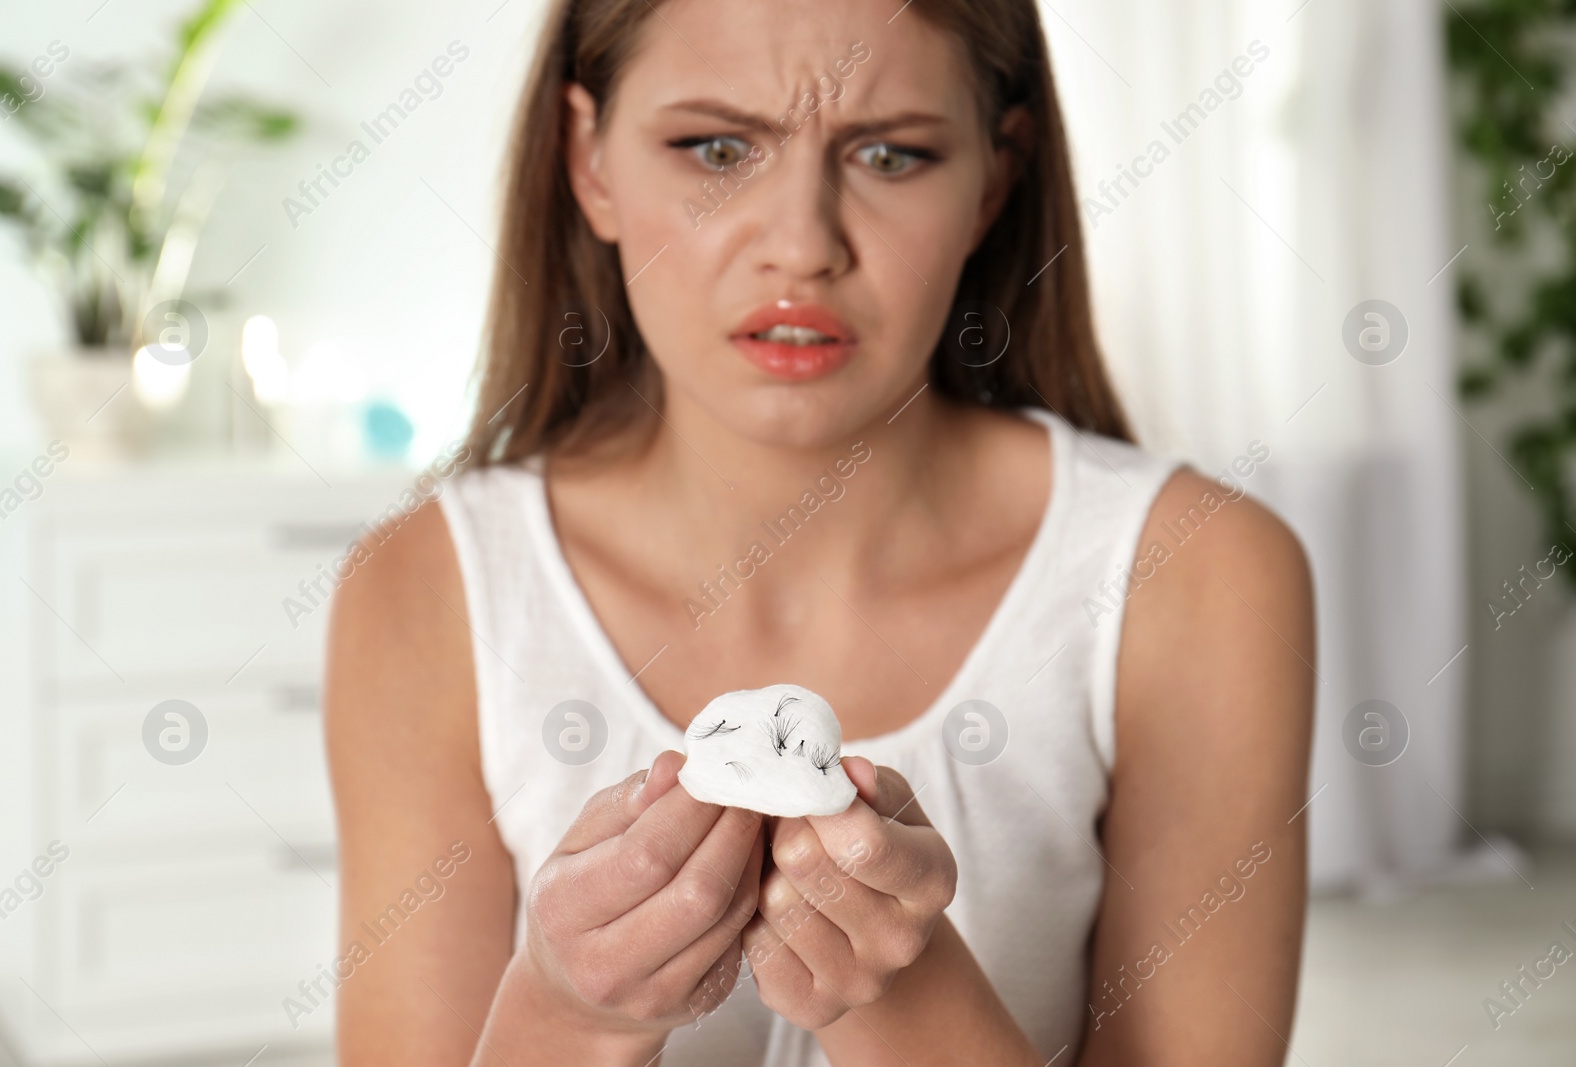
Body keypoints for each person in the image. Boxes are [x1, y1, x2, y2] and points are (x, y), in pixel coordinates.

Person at [324, 0, 1315, 1063]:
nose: (801, 245)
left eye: (890, 154)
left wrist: (898, 995)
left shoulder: (1199, 576)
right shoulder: (426, 588)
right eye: (714, 147)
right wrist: (570, 1011)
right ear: (590, 156)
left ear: (993, 175)